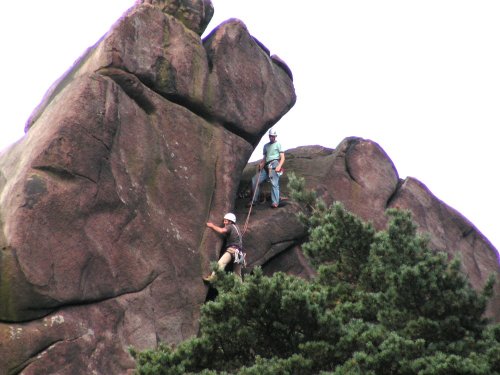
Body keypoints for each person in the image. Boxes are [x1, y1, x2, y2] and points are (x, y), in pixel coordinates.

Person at [248, 128, 285, 208]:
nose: (272, 137)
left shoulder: (278, 144)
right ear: (269, 136)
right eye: (271, 136)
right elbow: (265, 157)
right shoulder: (266, 146)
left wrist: (279, 166)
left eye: (274, 136)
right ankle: (253, 200)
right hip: (266, 165)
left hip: (274, 164)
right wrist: (261, 164)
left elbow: (282, 157)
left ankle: (275, 202)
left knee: (274, 183)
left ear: (276, 136)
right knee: (255, 180)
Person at [203, 213, 245, 282]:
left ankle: (213, 278)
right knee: (237, 273)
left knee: (221, 263)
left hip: (232, 250)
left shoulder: (230, 226)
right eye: (224, 221)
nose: (224, 223)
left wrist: (212, 226)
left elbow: (222, 230)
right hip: (240, 254)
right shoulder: (236, 228)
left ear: (230, 221)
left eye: (226, 221)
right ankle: (241, 289)